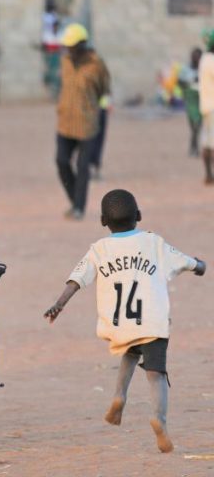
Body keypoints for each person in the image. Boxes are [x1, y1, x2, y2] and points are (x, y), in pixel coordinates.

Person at [44, 189, 206, 454]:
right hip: (151, 321)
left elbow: (77, 279)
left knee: (130, 352)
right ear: (139, 216)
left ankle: (119, 396)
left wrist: (59, 304)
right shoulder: (153, 242)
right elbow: (185, 261)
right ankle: (159, 421)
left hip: (120, 325)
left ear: (102, 221)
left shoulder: (99, 249)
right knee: (156, 374)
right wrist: (199, 265)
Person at [56, 23, 110, 220]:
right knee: (61, 161)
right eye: (67, 46)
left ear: (82, 44)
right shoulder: (65, 62)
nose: (69, 50)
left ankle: (79, 207)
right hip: (65, 122)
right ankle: (75, 200)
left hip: (87, 123)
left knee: (82, 165)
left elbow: (104, 89)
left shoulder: (96, 65)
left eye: (72, 46)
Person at [197, 29, 214, 184]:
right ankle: (209, 174)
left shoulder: (205, 59)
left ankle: (209, 175)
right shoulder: (211, 60)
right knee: (211, 142)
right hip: (212, 106)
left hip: (207, 106)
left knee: (208, 141)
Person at [179, 48, 202, 157]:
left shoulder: (204, 69)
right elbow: (180, 82)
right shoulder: (186, 69)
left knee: (198, 125)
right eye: (194, 56)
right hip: (190, 99)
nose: (196, 58)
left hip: (201, 99)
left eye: (198, 56)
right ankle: (193, 146)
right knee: (193, 125)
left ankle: (194, 147)